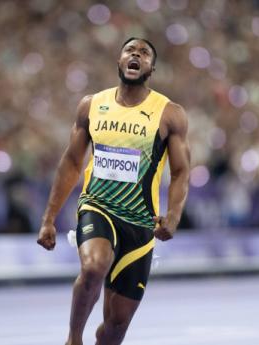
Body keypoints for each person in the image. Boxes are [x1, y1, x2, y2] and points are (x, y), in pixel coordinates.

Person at [37, 37, 190, 345]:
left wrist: (172, 216)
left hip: (140, 222)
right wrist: (49, 218)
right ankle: (73, 338)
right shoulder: (92, 105)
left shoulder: (168, 113)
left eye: (144, 53)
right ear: (119, 62)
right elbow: (71, 163)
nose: (136, 54)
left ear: (151, 68)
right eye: (130, 50)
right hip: (98, 207)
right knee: (94, 266)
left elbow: (181, 170)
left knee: (115, 328)